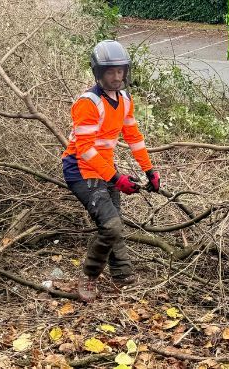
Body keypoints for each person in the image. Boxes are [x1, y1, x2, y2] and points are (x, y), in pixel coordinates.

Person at [61, 40, 161, 300]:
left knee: (114, 219)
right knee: (111, 225)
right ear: (99, 73)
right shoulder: (88, 103)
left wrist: (150, 170)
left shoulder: (125, 99)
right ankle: (89, 276)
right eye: (110, 72)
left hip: (104, 166)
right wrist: (116, 178)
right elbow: (84, 149)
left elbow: (133, 136)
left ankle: (123, 273)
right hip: (80, 169)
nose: (117, 77)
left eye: (120, 71)